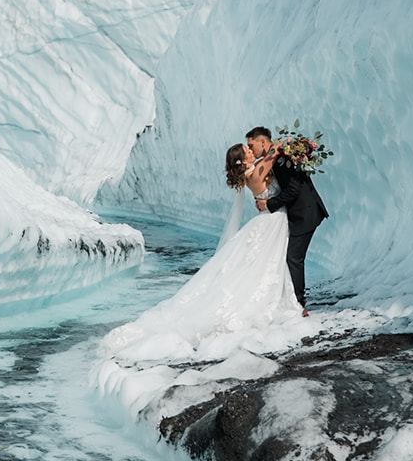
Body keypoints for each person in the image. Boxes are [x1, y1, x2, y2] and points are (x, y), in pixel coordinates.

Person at [100, 140, 304, 364]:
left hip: (270, 220)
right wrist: (290, 144)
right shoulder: (255, 173)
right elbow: (273, 154)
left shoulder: (250, 174)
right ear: (243, 159)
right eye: (248, 151)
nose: (251, 151)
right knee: (265, 264)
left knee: (262, 265)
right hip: (272, 222)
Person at [247, 126, 328, 313]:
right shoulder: (276, 157)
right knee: (290, 257)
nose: (251, 150)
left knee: (293, 258)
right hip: (299, 213)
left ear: (262, 141)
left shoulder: (282, 158)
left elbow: (293, 190)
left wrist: (269, 204)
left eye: (252, 145)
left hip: (305, 213)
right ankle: (294, 301)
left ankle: (300, 305)